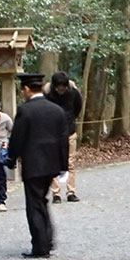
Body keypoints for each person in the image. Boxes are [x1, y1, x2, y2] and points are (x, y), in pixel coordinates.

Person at [6, 73, 69, 258]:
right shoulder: (57, 110)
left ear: (26, 89)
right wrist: (63, 165)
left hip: (33, 165)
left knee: (34, 204)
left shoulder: (25, 111)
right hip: (52, 164)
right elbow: (63, 139)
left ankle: (40, 246)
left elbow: (17, 138)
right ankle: (47, 239)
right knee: (42, 201)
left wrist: (11, 158)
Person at [44, 71, 83, 203]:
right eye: (59, 87)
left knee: (70, 163)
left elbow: (78, 107)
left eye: (63, 87)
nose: (61, 89)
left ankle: (71, 192)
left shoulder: (74, 93)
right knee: (54, 163)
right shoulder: (47, 95)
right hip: (52, 134)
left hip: (69, 132)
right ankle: (56, 193)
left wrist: (70, 120)